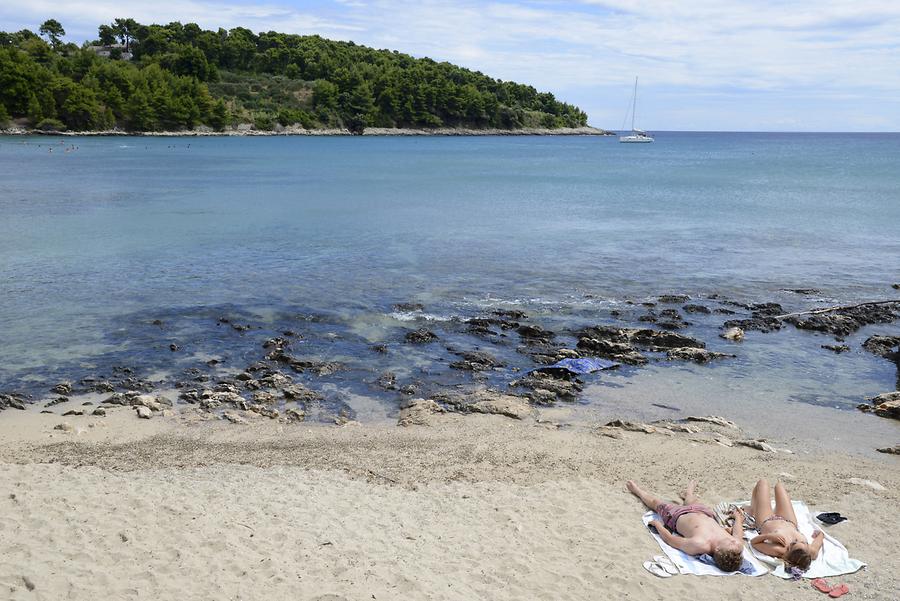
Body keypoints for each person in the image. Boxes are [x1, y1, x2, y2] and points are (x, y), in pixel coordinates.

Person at [627, 480, 745, 572]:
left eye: (731, 543)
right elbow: (738, 533)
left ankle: (636, 490)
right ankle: (688, 493)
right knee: (691, 501)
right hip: (704, 512)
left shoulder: (700, 544)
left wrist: (658, 525)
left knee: (655, 503)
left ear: (718, 550)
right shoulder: (737, 546)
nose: (734, 541)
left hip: (676, 515)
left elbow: (671, 539)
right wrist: (738, 518)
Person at [747, 479, 823, 571]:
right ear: (806, 548)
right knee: (779, 486)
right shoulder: (811, 551)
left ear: (788, 551)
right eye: (803, 542)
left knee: (763, 483)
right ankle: (758, 507)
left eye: (793, 543)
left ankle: (753, 508)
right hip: (789, 520)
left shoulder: (779, 550)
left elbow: (754, 543)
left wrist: (769, 536)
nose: (796, 540)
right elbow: (821, 536)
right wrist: (818, 534)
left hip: (766, 521)